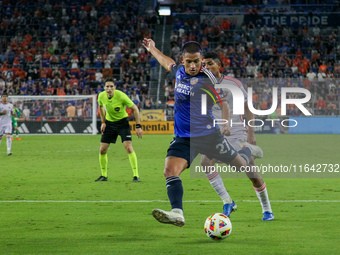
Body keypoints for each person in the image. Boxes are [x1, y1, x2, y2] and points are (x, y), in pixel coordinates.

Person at [142, 38, 263, 227]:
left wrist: (225, 124)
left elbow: (223, 104)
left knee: (241, 166)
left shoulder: (207, 79)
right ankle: (177, 213)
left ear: (201, 59)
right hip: (184, 138)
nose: (193, 65)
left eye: (196, 61)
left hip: (209, 137)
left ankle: (247, 150)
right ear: (183, 61)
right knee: (169, 171)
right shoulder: (179, 72)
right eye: (189, 61)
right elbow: (167, 63)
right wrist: (153, 49)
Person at [201, 51, 274, 221]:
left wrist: (251, 133)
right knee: (205, 162)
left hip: (236, 132)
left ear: (220, 65)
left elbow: (248, 108)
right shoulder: (202, 85)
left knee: (250, 173)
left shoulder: (233, 84)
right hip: (215, 134)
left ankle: (267, 210)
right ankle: (228, 201)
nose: (207, 67)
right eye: (205, 65)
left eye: (211, 63)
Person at [96, 77, 143, 182]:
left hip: (122, 123)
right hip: (109, 124)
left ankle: (136, 175)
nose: (109, 89)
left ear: (115, 87)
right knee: (102, 149)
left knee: (128, 148)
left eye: (111, 86)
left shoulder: (121, 96)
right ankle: (104, 175)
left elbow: (135, 108)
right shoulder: (101, 96)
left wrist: (138, 126)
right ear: (104, 87)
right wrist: (103, 122)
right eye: (107, 86)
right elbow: (101, 107)